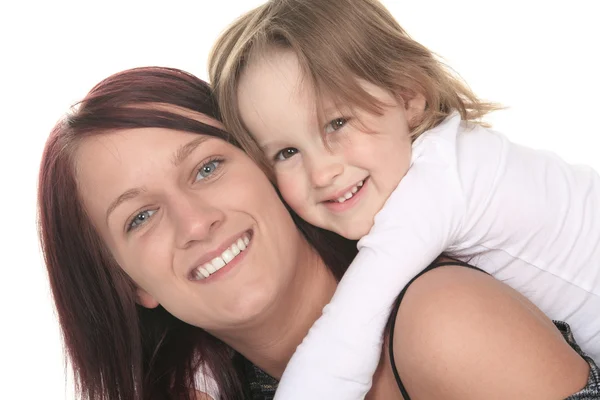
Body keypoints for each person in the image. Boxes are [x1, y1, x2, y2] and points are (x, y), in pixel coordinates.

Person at [38, 67, 595, 400]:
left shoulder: (442, 320)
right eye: (140, 217)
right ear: (130, 284)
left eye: (207, 168)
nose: (195, 222)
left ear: (270, 166)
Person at [208, 0, 600, 398]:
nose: (321, 173)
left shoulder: (438, 185)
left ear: (409, 96)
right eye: (287, 153)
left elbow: (342, 341)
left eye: (337, 123)